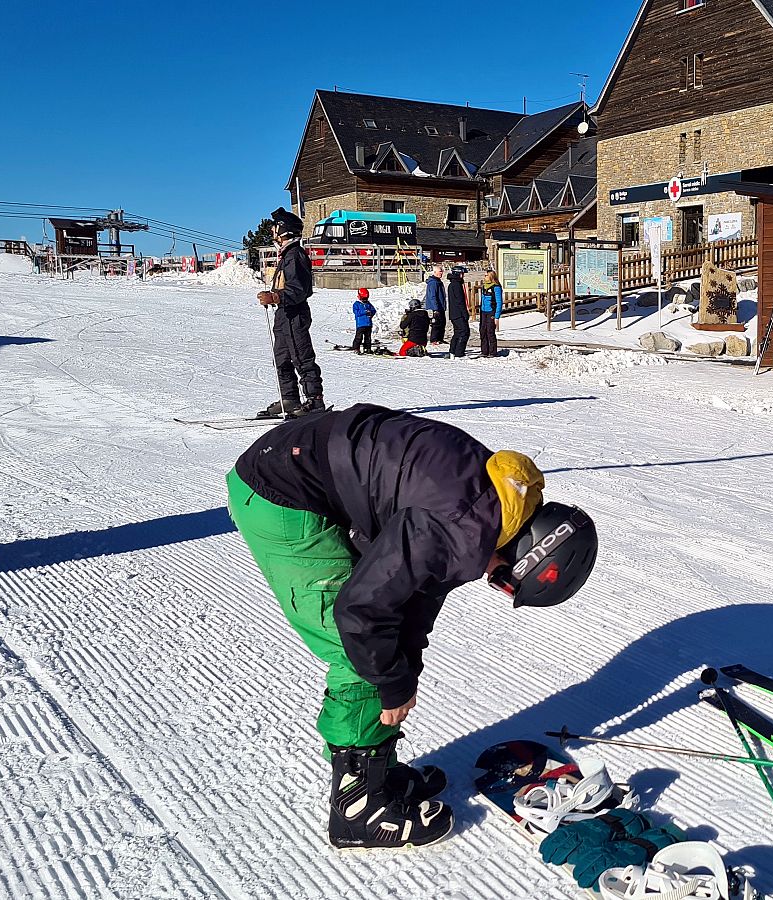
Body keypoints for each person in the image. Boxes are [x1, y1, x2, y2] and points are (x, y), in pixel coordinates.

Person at [226, 404, 599, 849]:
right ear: (532, 551)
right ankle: (358, 806)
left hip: (304, 462)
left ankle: (372, 768)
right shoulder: (459, 527)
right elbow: (361, 613)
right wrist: (391, 682)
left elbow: (419, 597)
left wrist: (406, 675)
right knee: (359, 653)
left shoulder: (496, 506)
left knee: (385, 651)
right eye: (504, 580)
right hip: (280, 493)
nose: (492, 582)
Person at [256, 208, 325, 418]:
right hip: (283, 314)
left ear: (283, 230)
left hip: (294, 314)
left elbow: (300, 290)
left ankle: (314, 400)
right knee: (283, 358)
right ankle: (290, 398)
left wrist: (276, 297)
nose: (272, 230)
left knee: (301, 356)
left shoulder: (295, 255)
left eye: (275, 226)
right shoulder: (287, 255)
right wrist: (272, 295)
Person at [446, 267, 471, 359]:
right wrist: (465, 313)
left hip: (454, 313)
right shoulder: (456, 285)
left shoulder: (453, 284)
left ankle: (453, 351)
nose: (463, 276)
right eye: (462, 274)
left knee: (458, 332)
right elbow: (460, 300)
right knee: (464, 332)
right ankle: (459, 353)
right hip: (458, 313)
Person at [478, 268, 502, 358]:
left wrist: (497, 316)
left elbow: (499, 302)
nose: (485, 277)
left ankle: (492, 352)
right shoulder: (484, 286)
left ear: (491, 277)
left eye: (486, 275)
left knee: (490, 331)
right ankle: (484, 350)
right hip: (483, 311)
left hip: (491, 311)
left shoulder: (496, 287)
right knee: (482, 331)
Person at [424, 265, 447, 346]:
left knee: (442, 323)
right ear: (435, 272)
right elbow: (432, 296)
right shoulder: (433, 283)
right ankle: (434, 339)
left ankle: (440, 338)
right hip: (436, 307)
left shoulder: (438, 281)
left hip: (440, 306)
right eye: (440, 271)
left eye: (442, 271)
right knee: (436, 323)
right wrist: (435, 308)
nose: (441, 273)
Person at [351, 288, 377, 355]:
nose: (365, 300)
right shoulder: (356, 304)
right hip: (360, 324)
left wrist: (371, 313)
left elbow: (374, 310)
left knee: (368, 337)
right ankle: (356, 348)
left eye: (366, 298)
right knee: (359, 337)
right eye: (363, 298)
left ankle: (367, 348)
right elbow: (357, 313)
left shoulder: (368, 304)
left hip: (368, 324)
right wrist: (364, 312)